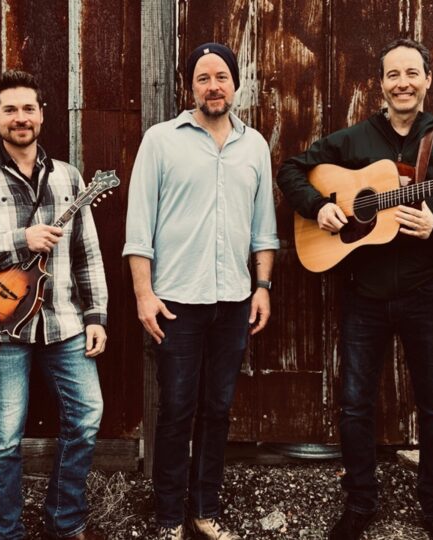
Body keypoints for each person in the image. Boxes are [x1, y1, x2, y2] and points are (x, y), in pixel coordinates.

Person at [277, 38, 433, 540]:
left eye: (412, 73)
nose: (403, 83)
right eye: (394, 74)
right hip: (363, 294)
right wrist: (318, 207)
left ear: (428, 79)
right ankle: (360, 502)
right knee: (355, 403)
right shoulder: (351, 141)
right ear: (381, 83)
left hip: (427, 293)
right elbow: (291, 170)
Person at [123, 42, 279, 540]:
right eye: (203, 78)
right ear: (189, 87)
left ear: (236, 84)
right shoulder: (161, 141)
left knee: (218, 409)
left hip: (234, 301)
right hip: (176, 303)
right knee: (176, 411)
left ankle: (204, 510)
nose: (214, 87)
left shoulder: (254, 146)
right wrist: (144, 295)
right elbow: (138, 228)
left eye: (221, 77)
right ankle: (169, 516)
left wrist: (262, 286)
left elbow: (264, 229)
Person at [0, 70, 108, 540]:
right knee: (4, 438)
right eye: (10, 109)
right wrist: (20, 239)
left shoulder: (69, 177)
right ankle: (5, 532)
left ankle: (65, 520)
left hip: (64, 322)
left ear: (42, 115)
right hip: (1, 324)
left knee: (86, 417)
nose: (21, 118)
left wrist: (96, 316)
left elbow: (87, 254)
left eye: (29, 109)